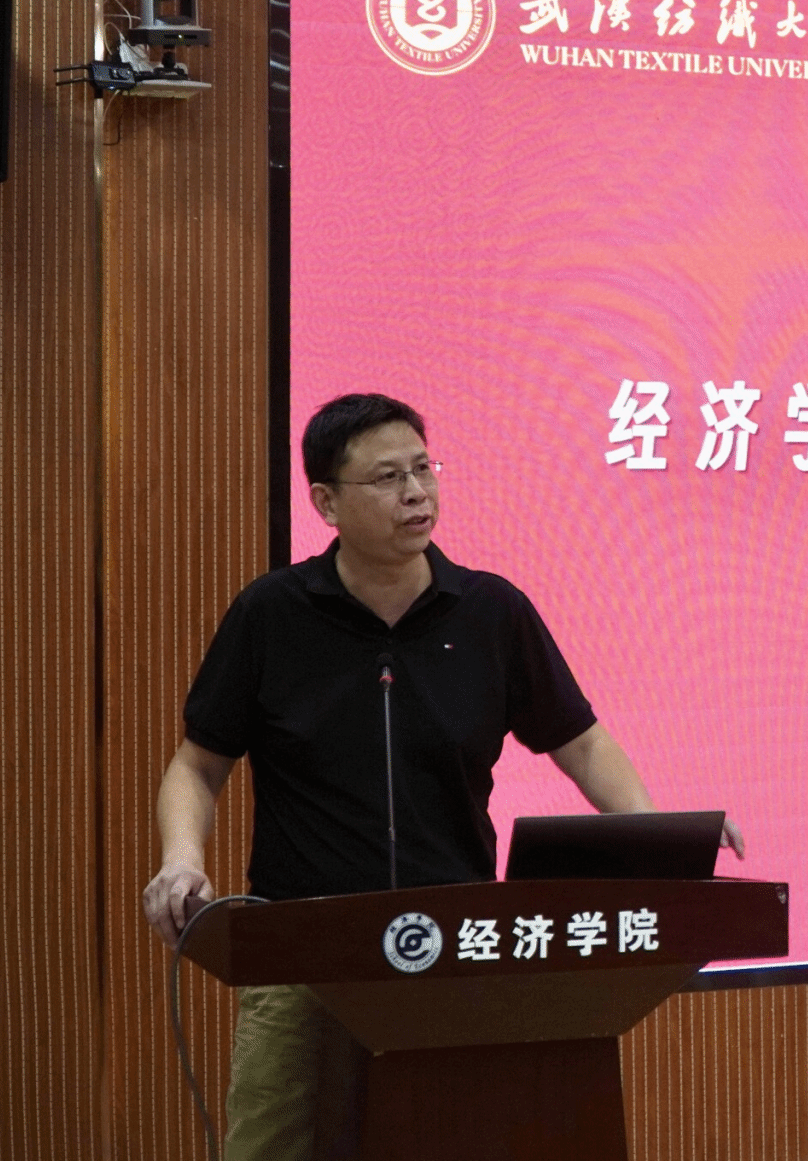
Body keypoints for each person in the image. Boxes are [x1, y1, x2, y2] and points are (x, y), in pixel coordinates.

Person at [140, 392, 743, 1160]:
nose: (416, 492)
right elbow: (197, 764)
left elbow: (583, 744)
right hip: (304, 949)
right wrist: (181, 857)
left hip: (455, 952)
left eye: (424, 469)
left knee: (455, 1133)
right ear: (326, 501)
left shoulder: (490, 611)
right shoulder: (271, 615)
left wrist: (659, 840)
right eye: (387, 477)